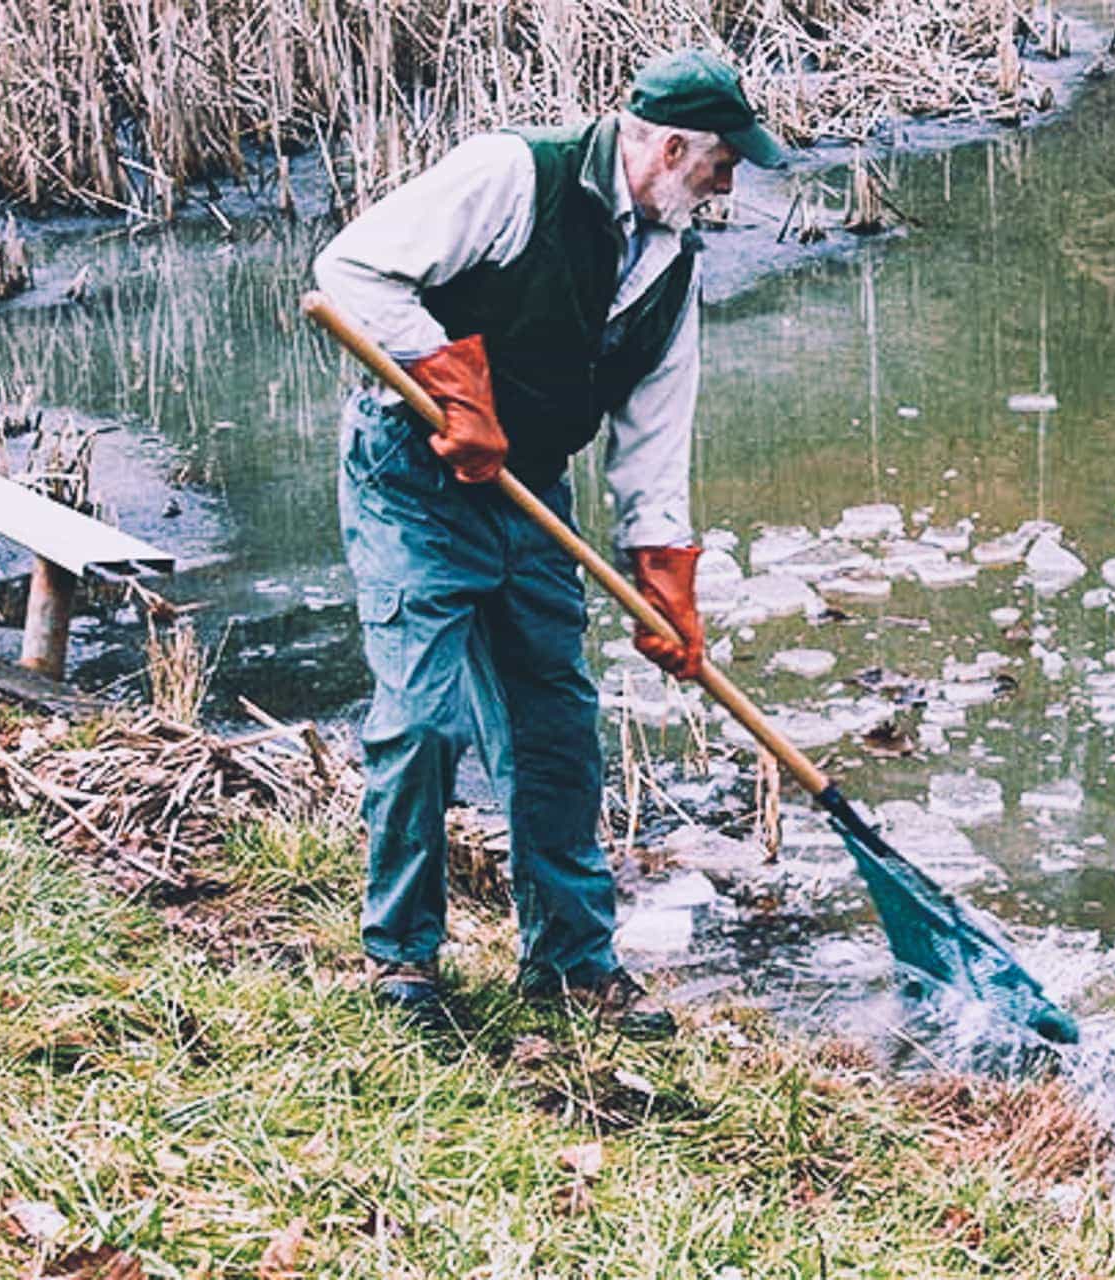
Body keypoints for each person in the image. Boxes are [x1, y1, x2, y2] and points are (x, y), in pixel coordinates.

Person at [312, 48, 788, 1038]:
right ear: (667, 147)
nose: (728, 184)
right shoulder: (513, 173)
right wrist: (452, 380)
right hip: (412, 472)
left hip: (532, 491)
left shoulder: (670, 263)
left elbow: (655, 442)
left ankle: (572, 962)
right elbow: (350, 270)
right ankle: (402, 961)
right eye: (722, 165)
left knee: (558, 729)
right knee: (426, 716)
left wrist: (668, 583)